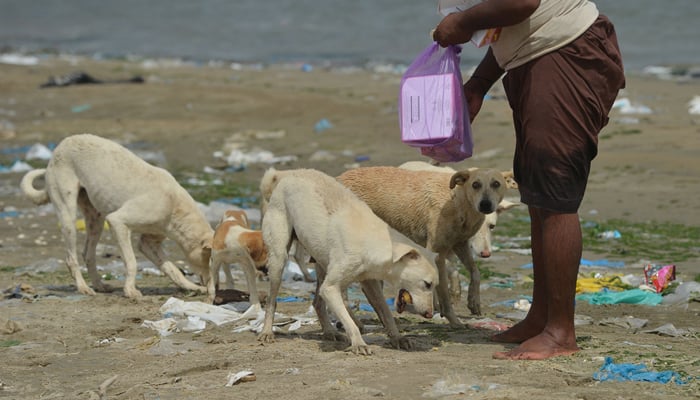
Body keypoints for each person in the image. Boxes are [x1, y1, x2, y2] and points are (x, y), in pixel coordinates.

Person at [433, 0, 625, 360]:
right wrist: (479, 83)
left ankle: (560, 333)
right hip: (533, 57)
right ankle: (541, 317)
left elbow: (521, 3)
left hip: (565, 51)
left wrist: (463, 21)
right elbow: (510, 24)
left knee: (555, 196)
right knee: (536, 192)